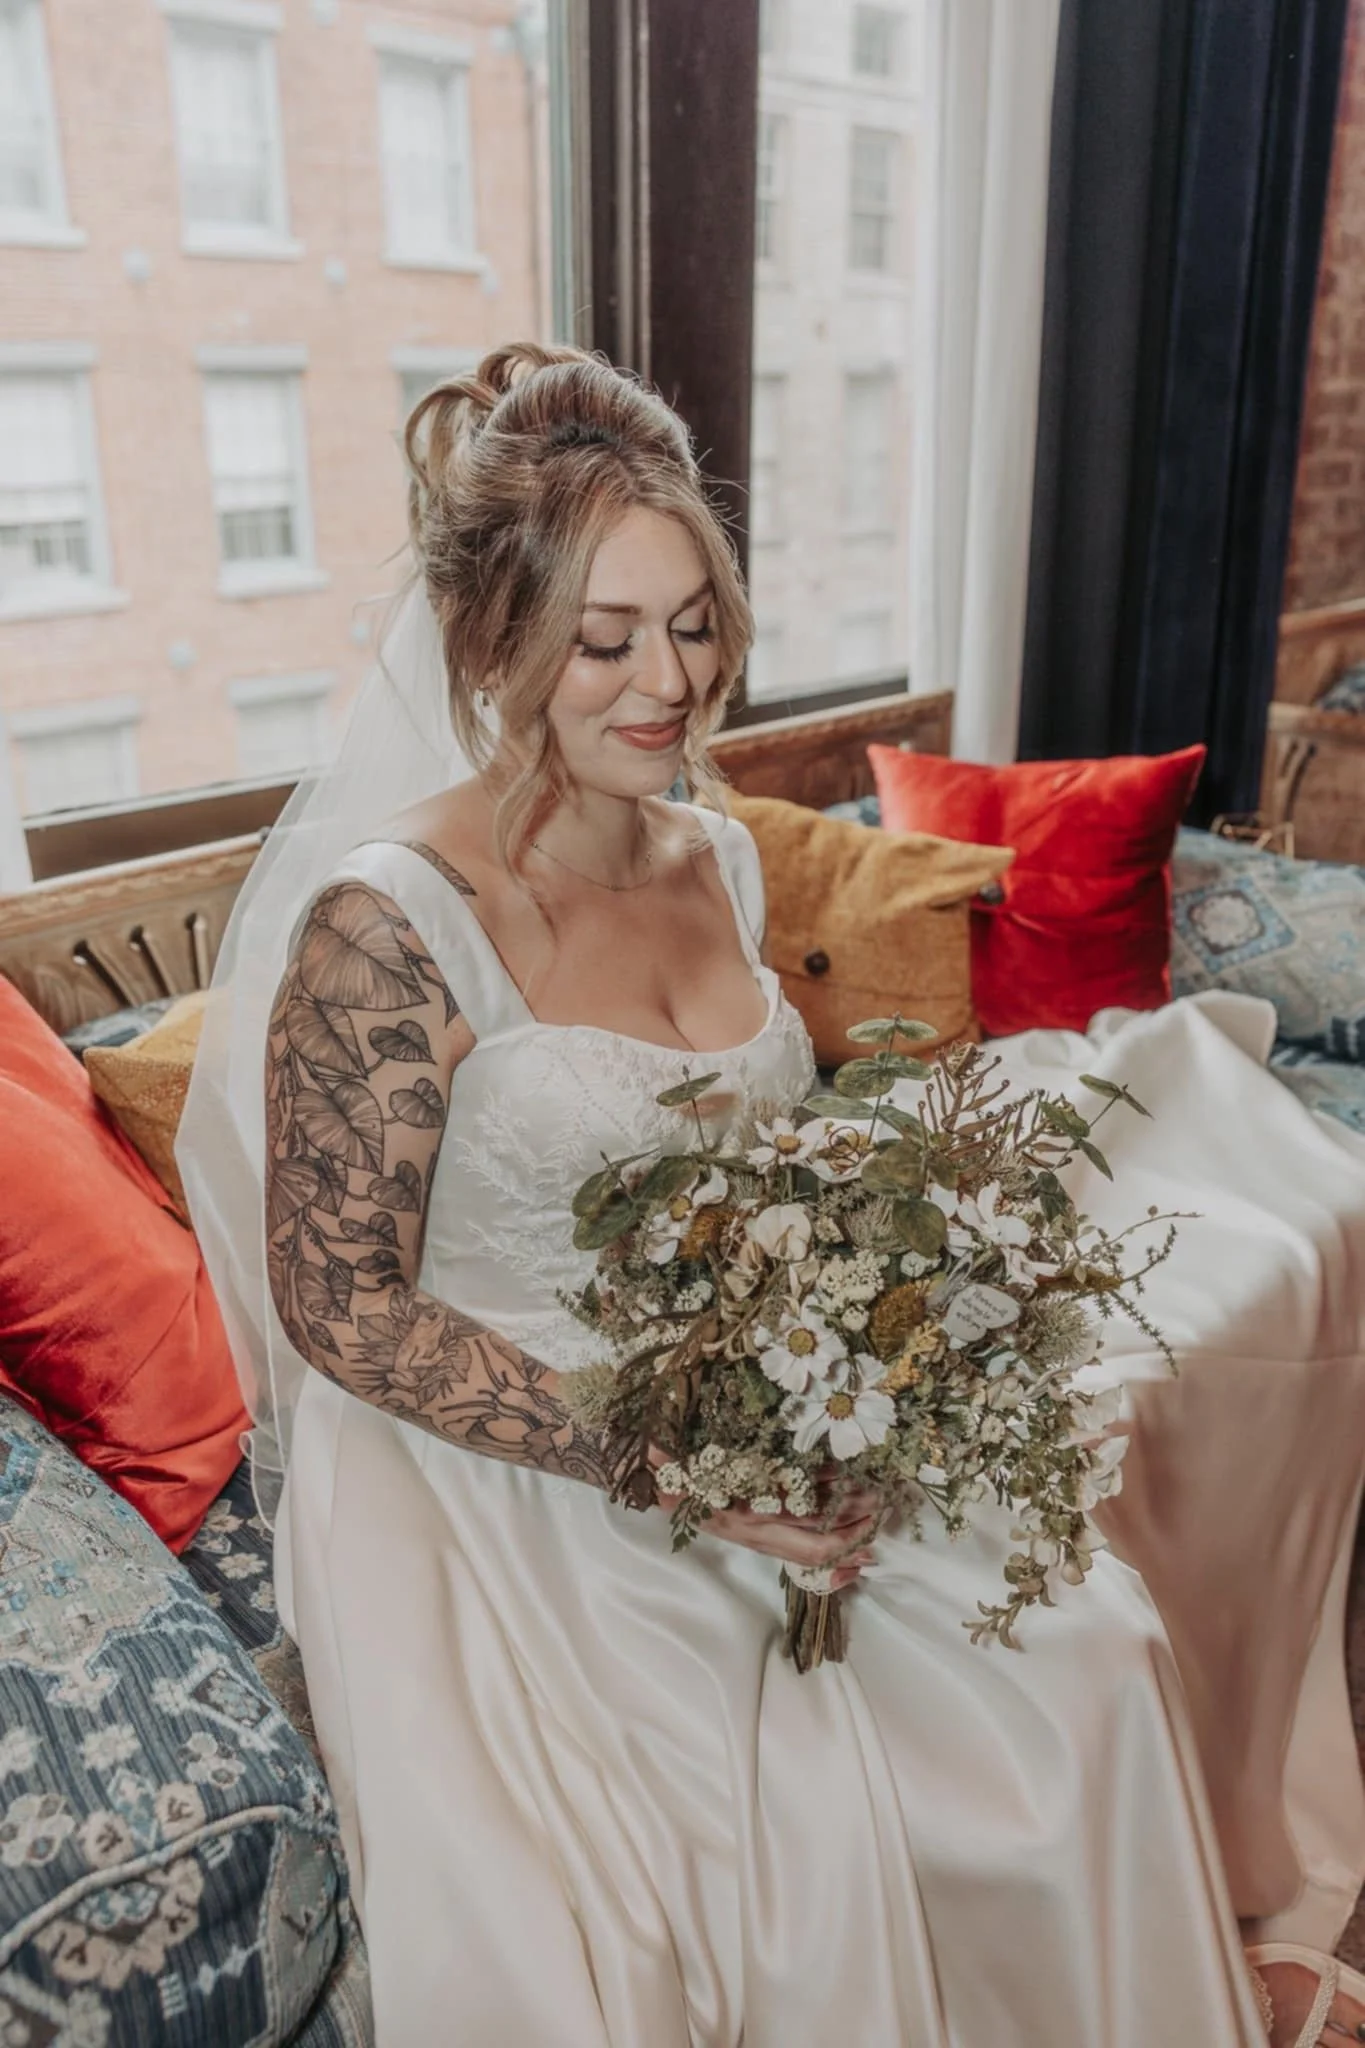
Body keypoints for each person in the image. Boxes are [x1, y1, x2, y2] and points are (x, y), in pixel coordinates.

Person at [182, 342, 1336, 2044]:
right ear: (493, 643)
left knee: (1089, 1652)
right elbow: (340, 1306)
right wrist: (680, 1468)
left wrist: (867, 1345)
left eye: (695, 622)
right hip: (498, 1454)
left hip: (745, 1377)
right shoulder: (391, 923)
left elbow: (752, 1153)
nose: (671, 682)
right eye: (606, 640)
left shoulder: (715, 848)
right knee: (803, 1831)